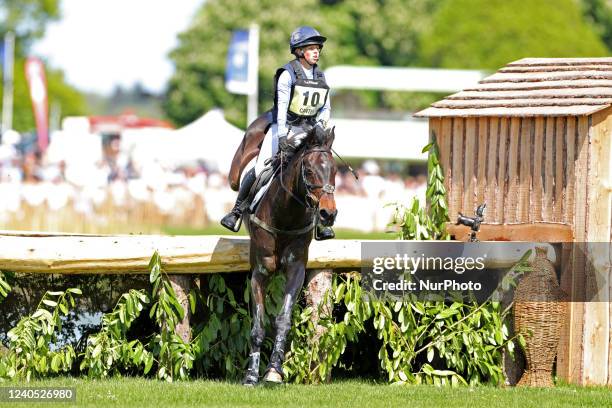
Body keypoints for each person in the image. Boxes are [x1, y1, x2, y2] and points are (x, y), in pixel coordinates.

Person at [221, 26, 335, 240]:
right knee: (260, 167)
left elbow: (325, 107)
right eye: (311, 48)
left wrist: (321, 126)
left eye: (317, 48)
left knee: (322, 169)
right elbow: (281, 108)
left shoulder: (321, 75)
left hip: (309, 130)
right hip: (284, 127)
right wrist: (282, 136)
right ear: (299, 51)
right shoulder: (287, 74)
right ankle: (236, 212)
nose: (316, 52)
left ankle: (321, 223)